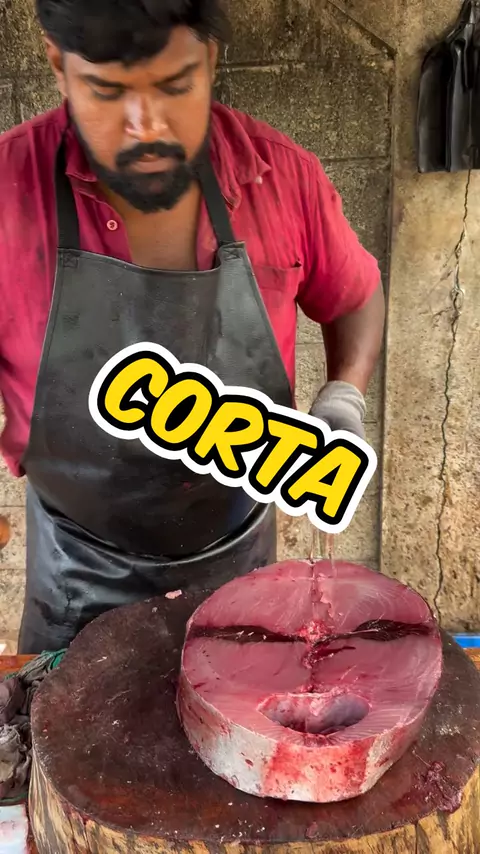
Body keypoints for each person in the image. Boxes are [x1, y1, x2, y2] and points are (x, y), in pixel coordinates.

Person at [0, 0, 385, 654]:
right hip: (74, 579)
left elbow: (356, 296)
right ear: (58, 65)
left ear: (208, 58)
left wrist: (344, 395)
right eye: (108, 91)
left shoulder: (282, 177)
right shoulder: (8, 190)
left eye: (175, 86)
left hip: (240, 567)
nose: (146, 125)